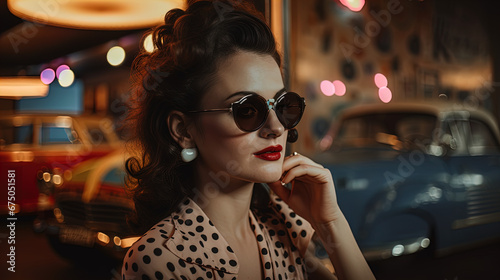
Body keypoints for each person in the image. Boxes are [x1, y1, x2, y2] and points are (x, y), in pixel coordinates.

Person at [122, 1, 375, 279]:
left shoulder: (285, 225)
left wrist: (330, 223)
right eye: (246, 110)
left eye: (282, 105)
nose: (276, 127)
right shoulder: (158, 260)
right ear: (183, 130)